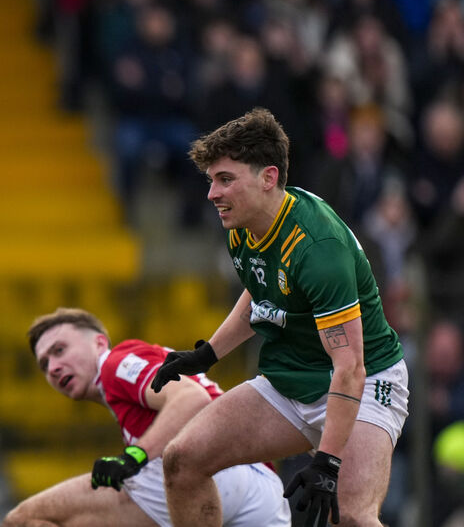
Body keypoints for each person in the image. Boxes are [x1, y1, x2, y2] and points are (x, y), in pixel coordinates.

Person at [152, 108, 408, 527]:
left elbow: (350, 369)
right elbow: (261, 289)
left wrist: (326, 463)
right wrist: (208, 354)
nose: (212, 194)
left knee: (353, 516)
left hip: (365, 382)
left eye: (226, 179)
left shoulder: (317, 247)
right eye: (212, 180)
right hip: (292, 379)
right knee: (182, 461)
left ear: (269, 178)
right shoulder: (243, 225)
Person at [2, 307, 290, 527]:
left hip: (216, 471)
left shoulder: (115, 363)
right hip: (262, 491)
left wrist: (134, 457)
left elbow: (191, 398)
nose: (53, 367)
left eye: (59, 350)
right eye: (44, 364)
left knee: (23, 519)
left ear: (99, 343)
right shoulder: (127, 387)